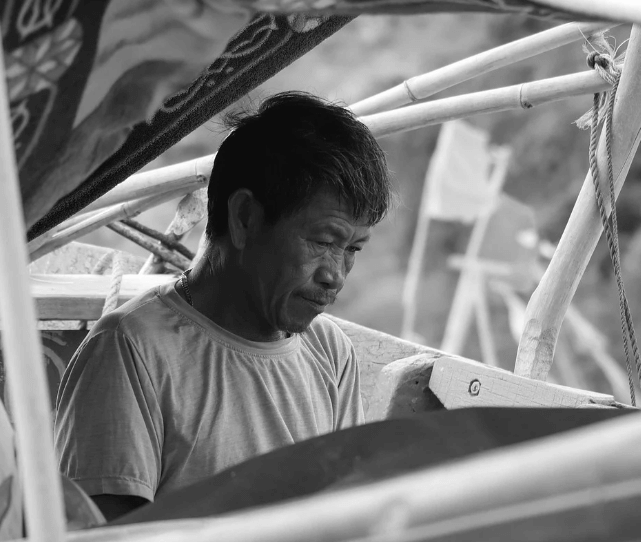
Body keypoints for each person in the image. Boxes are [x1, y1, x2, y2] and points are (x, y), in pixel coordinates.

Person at [54, 91, 392, 521]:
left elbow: (344, 514)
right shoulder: (131, 350)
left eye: (353, 249)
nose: (336, 275)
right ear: (245, 217)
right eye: (324, 242)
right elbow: (110, 532)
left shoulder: (330, 352)